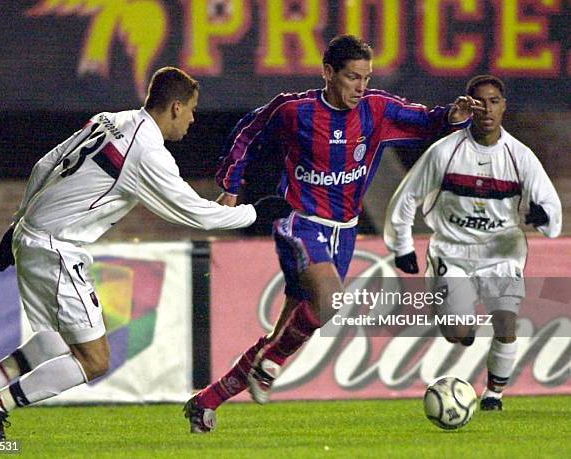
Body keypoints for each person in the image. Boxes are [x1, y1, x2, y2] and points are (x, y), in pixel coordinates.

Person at [0, 66, 282, 440]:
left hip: (34, 237)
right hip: (55, 248)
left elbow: (44, 164)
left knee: (59, 339)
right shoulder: (146, 152)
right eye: (192, 110)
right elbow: (197, 213)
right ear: (176, 107)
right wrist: (256, 212)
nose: (194, 119)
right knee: (94, 360)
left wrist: (16, 225)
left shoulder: (109, 120)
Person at [184, 34, 482, 433]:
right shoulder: (295, 110)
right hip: (299, 220)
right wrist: (231, 185)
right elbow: (248, 132)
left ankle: (208, 400)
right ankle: (270, 367)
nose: (361, 87)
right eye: (352, 77)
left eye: (367, 78)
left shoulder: (377, 110)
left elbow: (426, 121)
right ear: (328, 72)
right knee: (330, 300)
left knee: (284, 331)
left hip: (345, 230)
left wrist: (452, 115)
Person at [384, 74, 561, 410]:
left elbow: (550, 207)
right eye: (480, 102)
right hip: (452, 252)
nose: (487, 109)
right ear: (469, 106)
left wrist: (544, 219)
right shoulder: (445, 152)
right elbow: (407, 197)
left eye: (494, 101)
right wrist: (402, 245)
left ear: (504, 106)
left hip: (501, 253)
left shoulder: (520, 157)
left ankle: (493, 395)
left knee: (507, 323)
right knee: (459, 334)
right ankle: (461, 318)